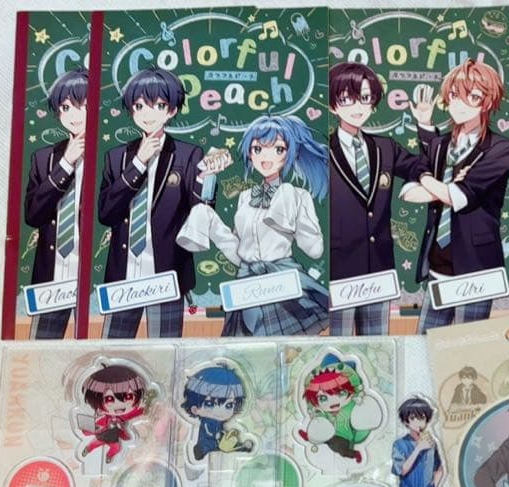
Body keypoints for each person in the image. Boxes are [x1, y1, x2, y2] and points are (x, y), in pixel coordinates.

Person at [97, 68, 228, 337]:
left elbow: (200, 212)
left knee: (166, 351)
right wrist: (138, 163)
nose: (148, 113)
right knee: (113, 349)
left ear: (172, 110)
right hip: (124, 275)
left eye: (158, 105)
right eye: (139, 105)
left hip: (167, 274)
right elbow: (106, 213)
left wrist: (206, 178)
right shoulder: (116, 157)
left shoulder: (187, 154)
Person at [178, 114, 330, 336]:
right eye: (258, 149)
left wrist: (291, 214)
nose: (266, 157)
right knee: (248, 346)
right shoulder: (245, 197)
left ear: (290, 153)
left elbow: (315, 250)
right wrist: (212, 223)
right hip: (247, 283)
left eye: (278, 149)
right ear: (249, 153)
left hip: (281, 279)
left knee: (284, 347)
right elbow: (240, 252)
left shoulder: (296, 195)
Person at [401, 60, 509, 333]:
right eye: (454, 95)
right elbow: (407, 193)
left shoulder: (500, 148)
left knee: (468, 345)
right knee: (425, 340)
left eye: (472, 97)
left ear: (487, 102)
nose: (460, 104)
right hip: (438, 264)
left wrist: (428, 179)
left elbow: (459, 198)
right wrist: (442, 185)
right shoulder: (439, 145)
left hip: (476, 266)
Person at [327, 63, 424, 335]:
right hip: (339, 269)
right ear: (333, 105)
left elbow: (420, 167)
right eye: (347, 99)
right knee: (338, 343)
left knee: (378, 346)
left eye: (365, 97)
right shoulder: (322, 150)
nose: (358, 106)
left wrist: (425, 127)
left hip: (379, 267)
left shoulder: (385, 147)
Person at [23, 68, 87, 338]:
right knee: (41, 348)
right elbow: (33, 215)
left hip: (93, 278)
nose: (74, 115)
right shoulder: (44, 158)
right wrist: (66, 164)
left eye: (82, 106)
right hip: (52, 275)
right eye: (65, 107)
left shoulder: (115, 158)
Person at [296, 353, 383, 464]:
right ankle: (313, 437)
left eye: (341, 393)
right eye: (323, 398)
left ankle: (353, 453)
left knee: (336, 445)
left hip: (348, 436)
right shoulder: (323, 412)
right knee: (327, 437)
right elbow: (320, 421)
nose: (333, 401)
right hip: (333, 434)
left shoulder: (352, 405)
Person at [180, 364, 255, 479]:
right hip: (208, 442)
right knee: (212, 445)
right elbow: (208, 432)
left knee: (224, 446)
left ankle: (241, 447)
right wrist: (218, 437)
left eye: (229, 405)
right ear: (195, 408)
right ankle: (201, 449)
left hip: (220, 444)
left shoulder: (220, 423)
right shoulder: (207, 423)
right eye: (210, 404)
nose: (220, 410)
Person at [78, 364, 147, 464]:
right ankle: (88, 449)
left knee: (116, 448)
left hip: (114, 438)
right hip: (103, 436)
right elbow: (92, 428)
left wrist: (144, 409)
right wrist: (88, 429)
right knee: (95, 444)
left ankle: (109, 456)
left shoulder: (122, 417)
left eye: (129, 397)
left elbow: (133, 413)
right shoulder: (104, 418)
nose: (119, 404)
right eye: (109, 399)